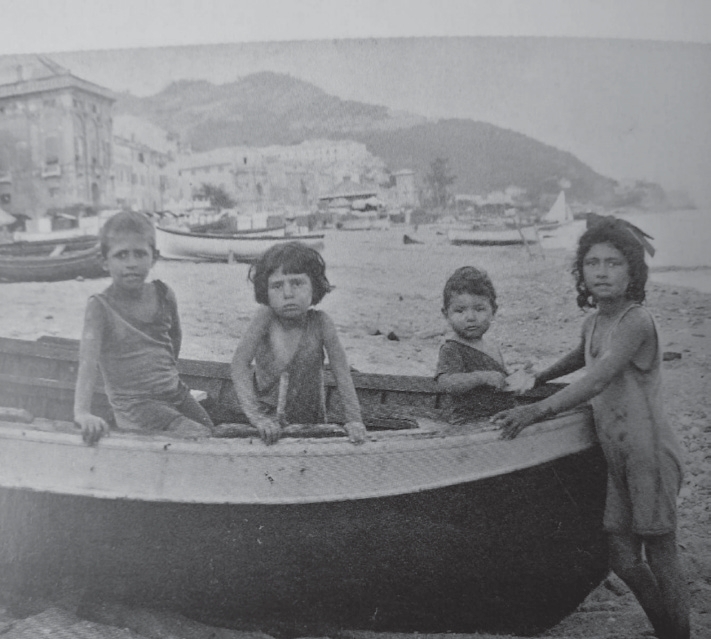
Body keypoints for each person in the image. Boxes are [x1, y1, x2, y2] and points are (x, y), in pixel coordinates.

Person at [492, 215, 689, 639]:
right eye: (592, 263)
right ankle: (668, 630)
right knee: (621, 555)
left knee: (661, 553)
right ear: (580, 271)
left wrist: (536, 411)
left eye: (613, 263)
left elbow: (597, 379)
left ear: (633, 272)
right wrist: (538, 377)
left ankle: (679, 633)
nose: (601, 272)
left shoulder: (636, 321)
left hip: (650, 454)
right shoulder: (595, 321)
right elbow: (580, 355)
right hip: (617, 456)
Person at [74, 211, 213, 444]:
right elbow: (87, 364)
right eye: (121, 255)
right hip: (136, 406)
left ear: (154, 258)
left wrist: (164, 377)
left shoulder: (164, 294)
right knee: (198, 436)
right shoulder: (100, 307)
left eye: (140, 254)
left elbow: (174, 339)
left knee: (210, 429)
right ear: (104, 261)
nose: (131, 263)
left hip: (175, 393)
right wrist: (82, 413)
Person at [231, 241, 366, 445]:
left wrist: (354, 420)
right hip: (267, 427)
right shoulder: (265, 318)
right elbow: (239, 365)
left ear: (314, 286)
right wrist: (257, 417)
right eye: (277, 286)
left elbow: (342, 374)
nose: (287, 294)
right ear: (265, 291)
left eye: (297, 283)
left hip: (310, 425)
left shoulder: (321, 323)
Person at [435, 266, 516, 425]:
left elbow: (499, 381)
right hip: (468, 422)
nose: (470, 317)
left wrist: (517, 379)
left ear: (493, 311)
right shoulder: (452, 348)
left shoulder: (492, 347)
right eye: (460, 311)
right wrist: (482, 377)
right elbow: (447, 383)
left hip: (498, 417)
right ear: (446, 314)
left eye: (479, 309)